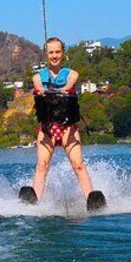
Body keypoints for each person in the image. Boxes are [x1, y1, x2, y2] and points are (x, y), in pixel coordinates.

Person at [30, 37, 95, 200]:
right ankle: (34, 201)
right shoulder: (38, 78)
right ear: (46, 54)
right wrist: (43, 92)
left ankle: (91, 198)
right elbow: (38, 87)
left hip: (68, 128)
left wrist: (65, 90)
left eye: (57, 52)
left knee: (78, 165)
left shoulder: (72, 74)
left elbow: (70, 83)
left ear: (63, 53)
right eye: (51, 52)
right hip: (47, 129)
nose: (54, 55)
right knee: (42, 166)